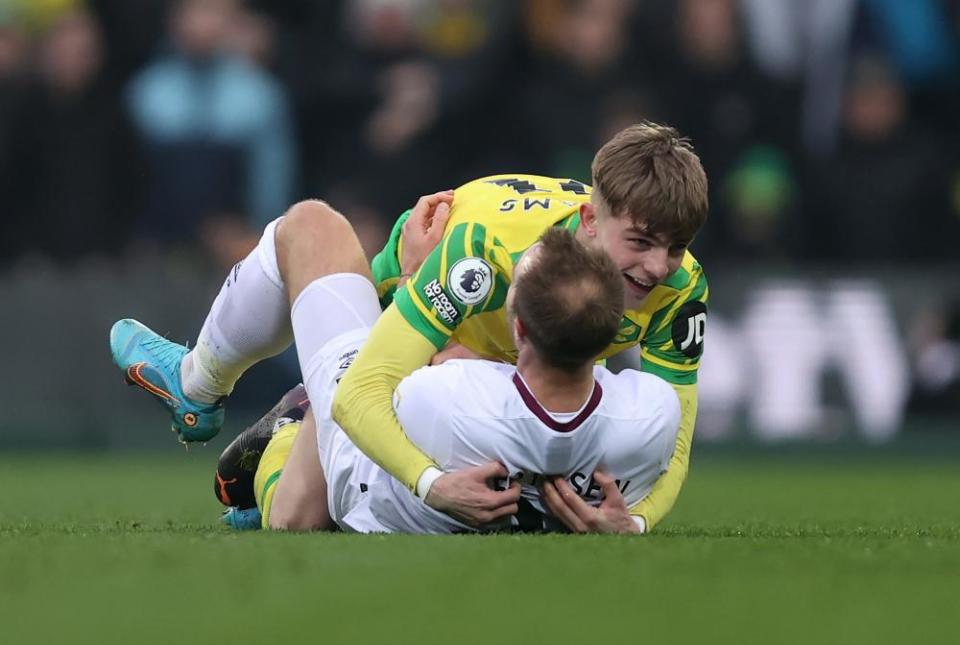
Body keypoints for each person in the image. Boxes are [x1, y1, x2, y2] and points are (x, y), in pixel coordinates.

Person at [111, 121, 708, 533]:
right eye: (641, 242)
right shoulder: (482, 252)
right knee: (315, 230)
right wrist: (408, 286)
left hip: (494, 378)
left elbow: (674, 442)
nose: (658, 267)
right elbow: (369, 388)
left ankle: (289, 433)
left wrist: (633, 523)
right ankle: (203, 385)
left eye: (676, 248)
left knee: (304, 515)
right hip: (415, 300)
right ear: (588, 223)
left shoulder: (681, 290)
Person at [224, 227, 679, 533]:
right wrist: (633, 525)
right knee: (295, 515)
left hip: (368, 490)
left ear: (518, 330)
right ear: (610, 337)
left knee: (314, 229)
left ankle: (215, 390)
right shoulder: (652, 416)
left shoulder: (446, 395)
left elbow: (367, 392)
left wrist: (413, 276)